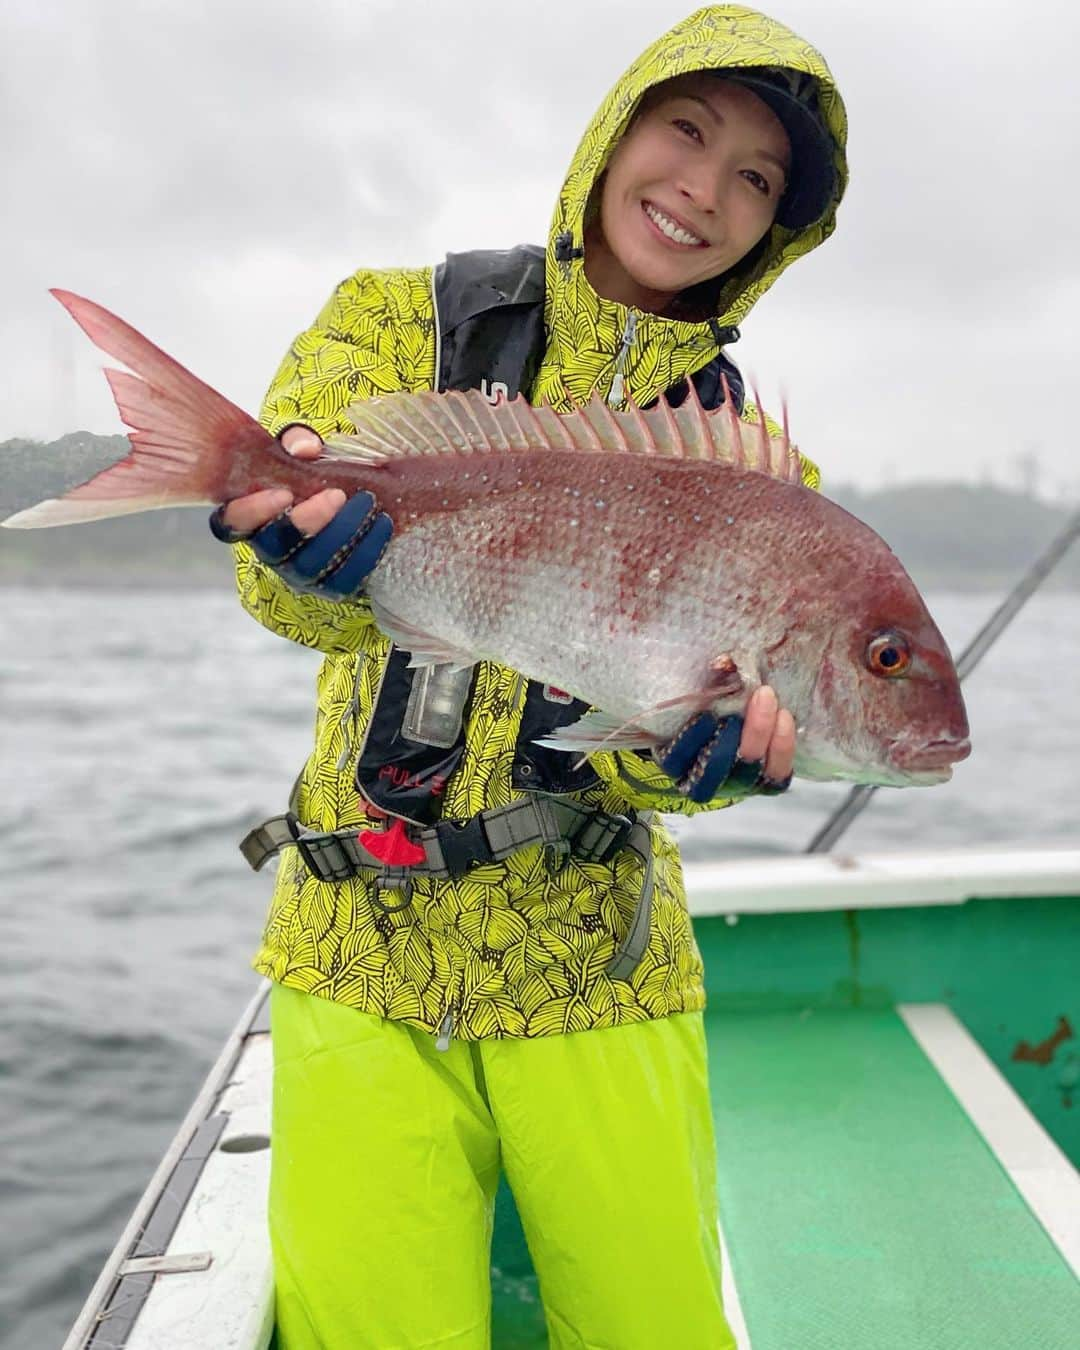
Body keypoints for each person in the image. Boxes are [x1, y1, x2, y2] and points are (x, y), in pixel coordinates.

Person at [214, 5, 847, 1346]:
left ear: (776, 232)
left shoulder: (758, 472)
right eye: (688, 130)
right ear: (613, 130)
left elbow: (651, 757)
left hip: (598, 958)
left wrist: (702, 759)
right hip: (353, 943)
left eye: (757, 180)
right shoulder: (394, 319)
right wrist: (304, 558)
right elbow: (285, 596)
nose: (705, 191)